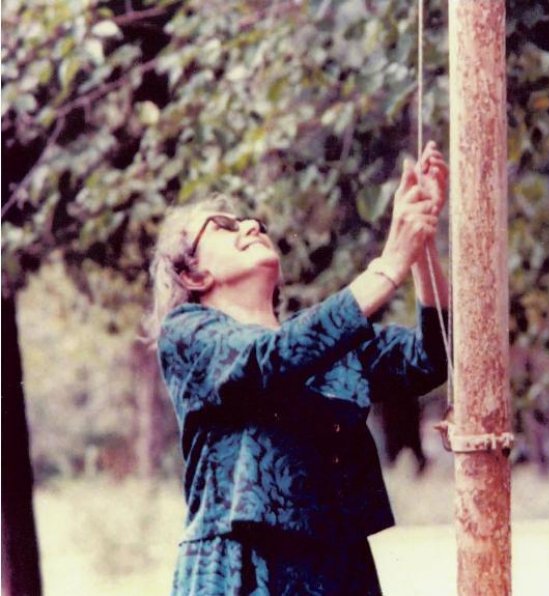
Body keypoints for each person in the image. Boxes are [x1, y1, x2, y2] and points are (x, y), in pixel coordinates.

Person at [145, 142, 449, 595]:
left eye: (252, 222)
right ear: (193, 276)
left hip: (339, 571)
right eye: (225, 226)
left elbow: (433, 356)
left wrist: (420, 246)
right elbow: (266, 360)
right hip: (240, 571)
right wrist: (388, 265)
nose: (251, 225)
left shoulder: (330, 343)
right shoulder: (188, 332)